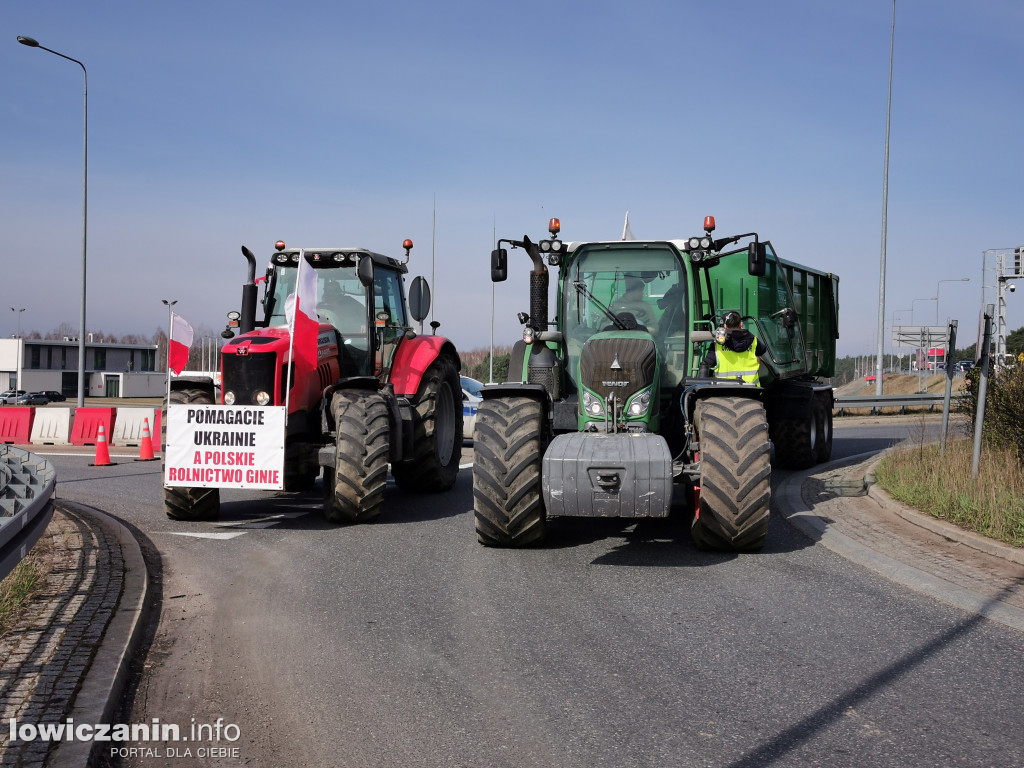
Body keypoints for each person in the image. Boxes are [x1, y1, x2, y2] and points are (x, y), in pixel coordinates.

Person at [703, 311, 766, 384]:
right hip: (750, 389)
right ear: (741, 324)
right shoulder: (754, 340)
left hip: (723, 390)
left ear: (725, 326)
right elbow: (762, 350)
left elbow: (708, 363)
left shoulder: (718, 343)